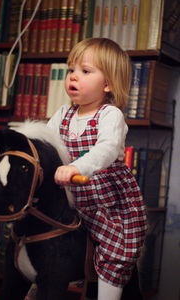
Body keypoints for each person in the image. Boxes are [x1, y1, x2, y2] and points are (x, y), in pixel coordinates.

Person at [46, 38, 148, 300]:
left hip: (109, 202)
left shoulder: (109, 115)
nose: (73, 77)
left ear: (108, 84)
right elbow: (47, 146)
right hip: (73, 199)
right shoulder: (62, 114)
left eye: (85, 71)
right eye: (71, 70)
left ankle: (107, 295)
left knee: (114, 253)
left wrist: (75, 167)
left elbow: (107, 149)